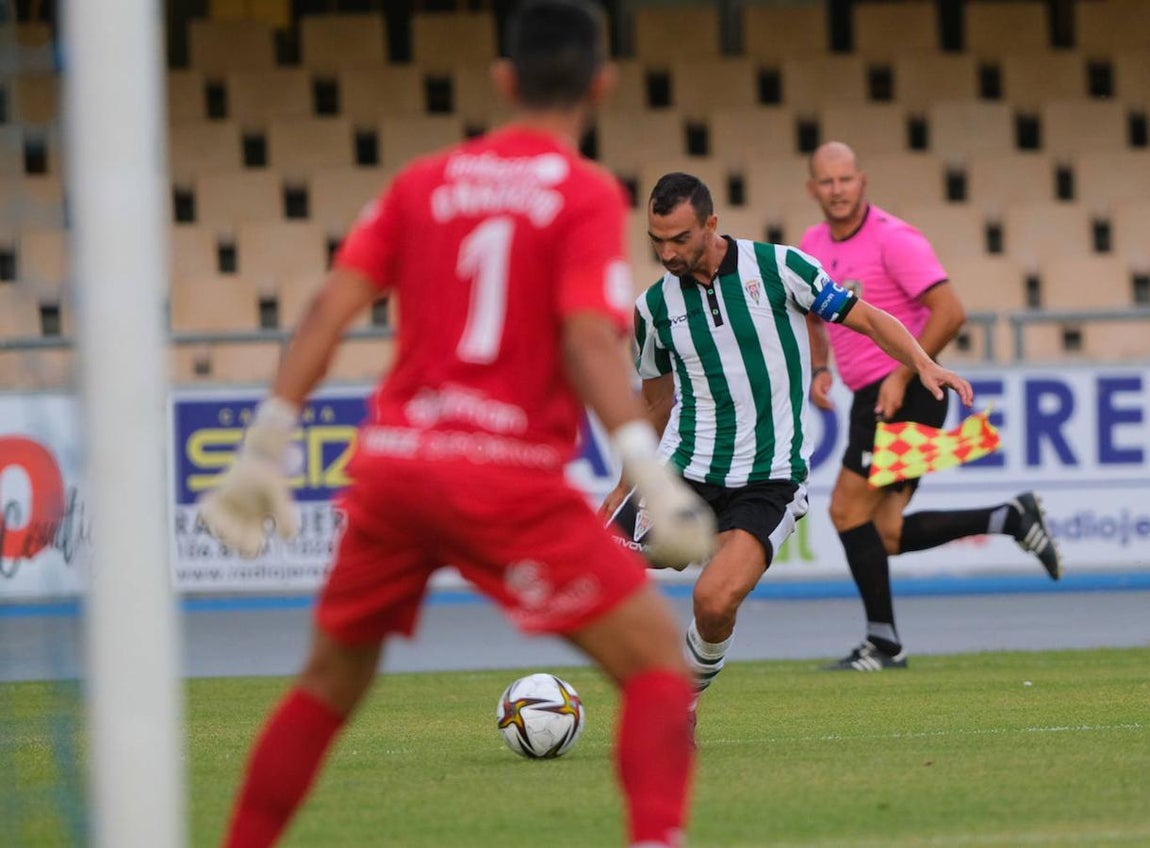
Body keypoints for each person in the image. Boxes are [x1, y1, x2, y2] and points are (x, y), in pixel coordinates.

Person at [198, 4, 716, 847]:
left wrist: (267, 441)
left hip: (398, 466)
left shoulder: (423, 180)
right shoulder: (584, 192)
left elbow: (331, 306)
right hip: (503, 474)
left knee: (326, 687)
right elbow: (588, 339)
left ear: (503, 82)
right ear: (604, 85)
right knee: (659, 667)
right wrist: (648, 471)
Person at [599, 171, 973, 702]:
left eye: (680, 239)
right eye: (657, 241)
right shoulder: (653, 309)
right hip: (683, 470)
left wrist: (921, 363)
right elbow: (655, 401)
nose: (668, 252)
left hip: (766, 481)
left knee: (713, 602)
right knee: (597, 567)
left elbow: (864, 318)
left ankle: (679, 699)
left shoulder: (778, 268)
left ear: (710, 224)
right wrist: (625, 483)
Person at [800, 141, 1062, 672]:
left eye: (845, 179)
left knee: (846, 512)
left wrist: (902, 374)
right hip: (870, 398)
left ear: (862, 180)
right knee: (886, 533)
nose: (837, 190)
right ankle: (1009, 517)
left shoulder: (893, 239)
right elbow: (812, 310)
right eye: (826, 182)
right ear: (813, 189)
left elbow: (951, 312)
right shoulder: (810, 243)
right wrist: (820, 366)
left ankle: (883, 643)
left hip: (908, 392)